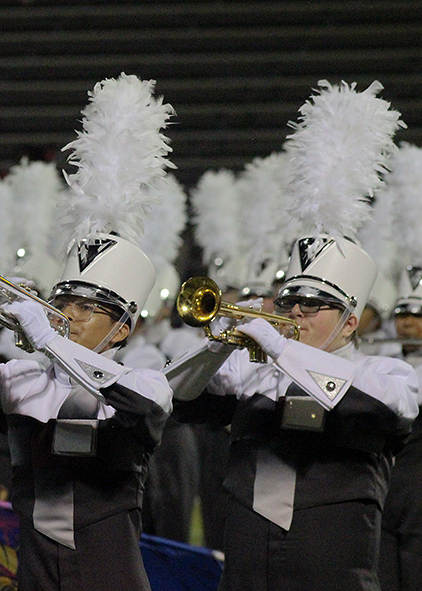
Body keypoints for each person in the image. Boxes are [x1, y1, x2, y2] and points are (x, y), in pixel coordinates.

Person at [0, 232, 173, 590]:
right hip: (34, 567)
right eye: (63, 300)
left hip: (109, 570)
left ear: (120, 330)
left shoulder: (145, 383)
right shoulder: (21, 381)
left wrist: (50, 341)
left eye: (86, 307)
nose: (67, 313)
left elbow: (143, 408)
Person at [165, 234, 418, 590]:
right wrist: (213, 349)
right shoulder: (253, 370)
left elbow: (380, 407)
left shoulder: (386, 373)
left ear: (349, 322)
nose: (296, 312)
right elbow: (169, 397)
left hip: (332, 567)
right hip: (245, 565)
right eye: (289, 302)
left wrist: (283, 351)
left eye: (313, 304)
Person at [378, 266, 422, 591]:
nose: (407, 323)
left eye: (417, 315)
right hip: (386, 488)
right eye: (401, 314)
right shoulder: (380, 360)